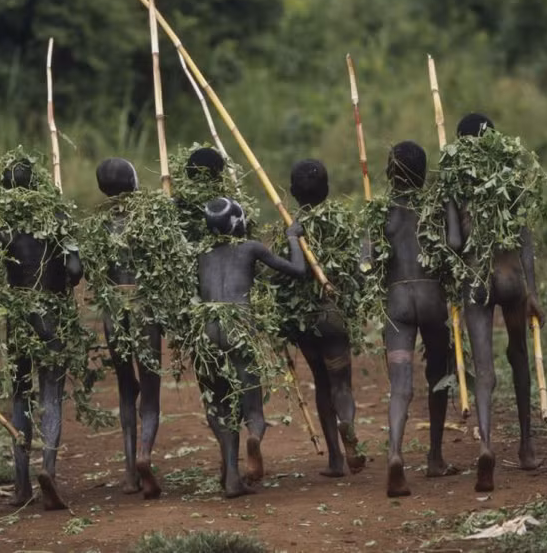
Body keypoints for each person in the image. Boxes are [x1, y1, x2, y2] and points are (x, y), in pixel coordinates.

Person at [445, 114, 546, 493]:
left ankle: (486, 444)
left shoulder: (456, 185)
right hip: (510, 278)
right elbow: (525, 242)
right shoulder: (511, 180)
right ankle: (526, 446)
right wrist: (532, 291)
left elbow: (455, 243)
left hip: (476, 280)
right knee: (519, 356)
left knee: (484, 370)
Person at [0, 154, 84, 511]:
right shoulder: (57, 217)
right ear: (36, 183)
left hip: (18, 315)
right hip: (51, 313)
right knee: (51, 394)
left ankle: (21, 485)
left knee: (20, 396)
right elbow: (76, 270)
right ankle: (49, 469)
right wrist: (63, 275)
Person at [194, 197, 306, 497]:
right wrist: (292, 237)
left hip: (207, 329)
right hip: (239, 326)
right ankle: (254, 435)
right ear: (238, 223)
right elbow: (298, 270)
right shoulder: (250, 248)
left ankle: (232, 476)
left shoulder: (201, 254)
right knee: (251, 405)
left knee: (219, 406)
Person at [378, 141, 457, 498]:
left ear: (390, 173)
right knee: (438, 375)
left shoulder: (380, 212)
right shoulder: (435, 208)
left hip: (397, 302)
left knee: (401, 386)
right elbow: (454, 245)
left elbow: (368, 261)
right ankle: (435, 456)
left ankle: (395, 453)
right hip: (431, 300)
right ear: (423, 174)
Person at [89, 157, 165, 498]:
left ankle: (129, 474)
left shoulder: (98, 227)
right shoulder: (150, 220)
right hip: (144, 307)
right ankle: (145, 453)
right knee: (149, 387)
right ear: (134, 185)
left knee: (125, 387)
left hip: (113, 310)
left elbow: (92, 272)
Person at [285, 159, 365, 477]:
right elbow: (357, 271)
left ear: (292, 192)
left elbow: (281, 276)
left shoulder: (288, 230)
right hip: (334, 316)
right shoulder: (342, 225)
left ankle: (334, 459)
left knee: (321, 381)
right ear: (328, 189)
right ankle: (347, 423)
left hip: (305, 319)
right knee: (341, 383)